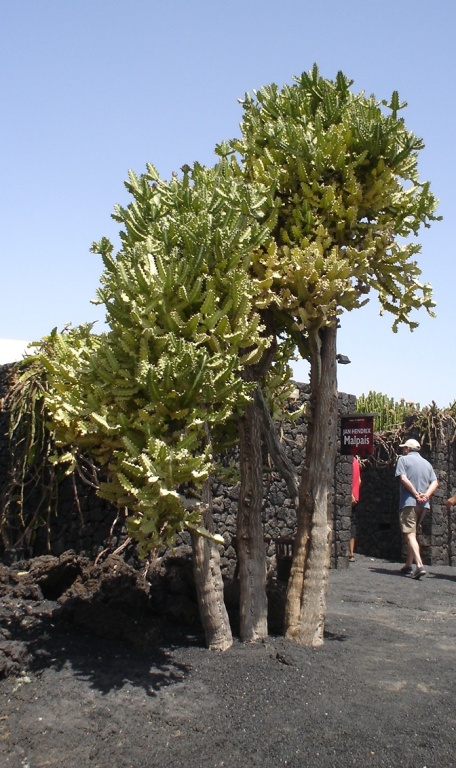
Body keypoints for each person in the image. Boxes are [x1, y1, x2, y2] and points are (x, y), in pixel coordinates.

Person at [395, 438, 438, 579]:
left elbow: (403, 478)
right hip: (423, 505)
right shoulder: (427, 464)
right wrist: (425, 496)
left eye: (404, 448)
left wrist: (415, 494)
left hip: (409, 503)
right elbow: (435, 482)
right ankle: (408, 564)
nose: (403, 450)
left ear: (408, 449)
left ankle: (419, 565)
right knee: (413, 534)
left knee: (410, 534)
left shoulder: (403, 460)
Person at [348, 456, 361, 562]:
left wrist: (351, 494)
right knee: (352, 524)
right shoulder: (356, 462)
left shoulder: (349, 462)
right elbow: (359, 481)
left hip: (349, 497)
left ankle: (349, 552)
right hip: (355, 497)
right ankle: (351, 552)